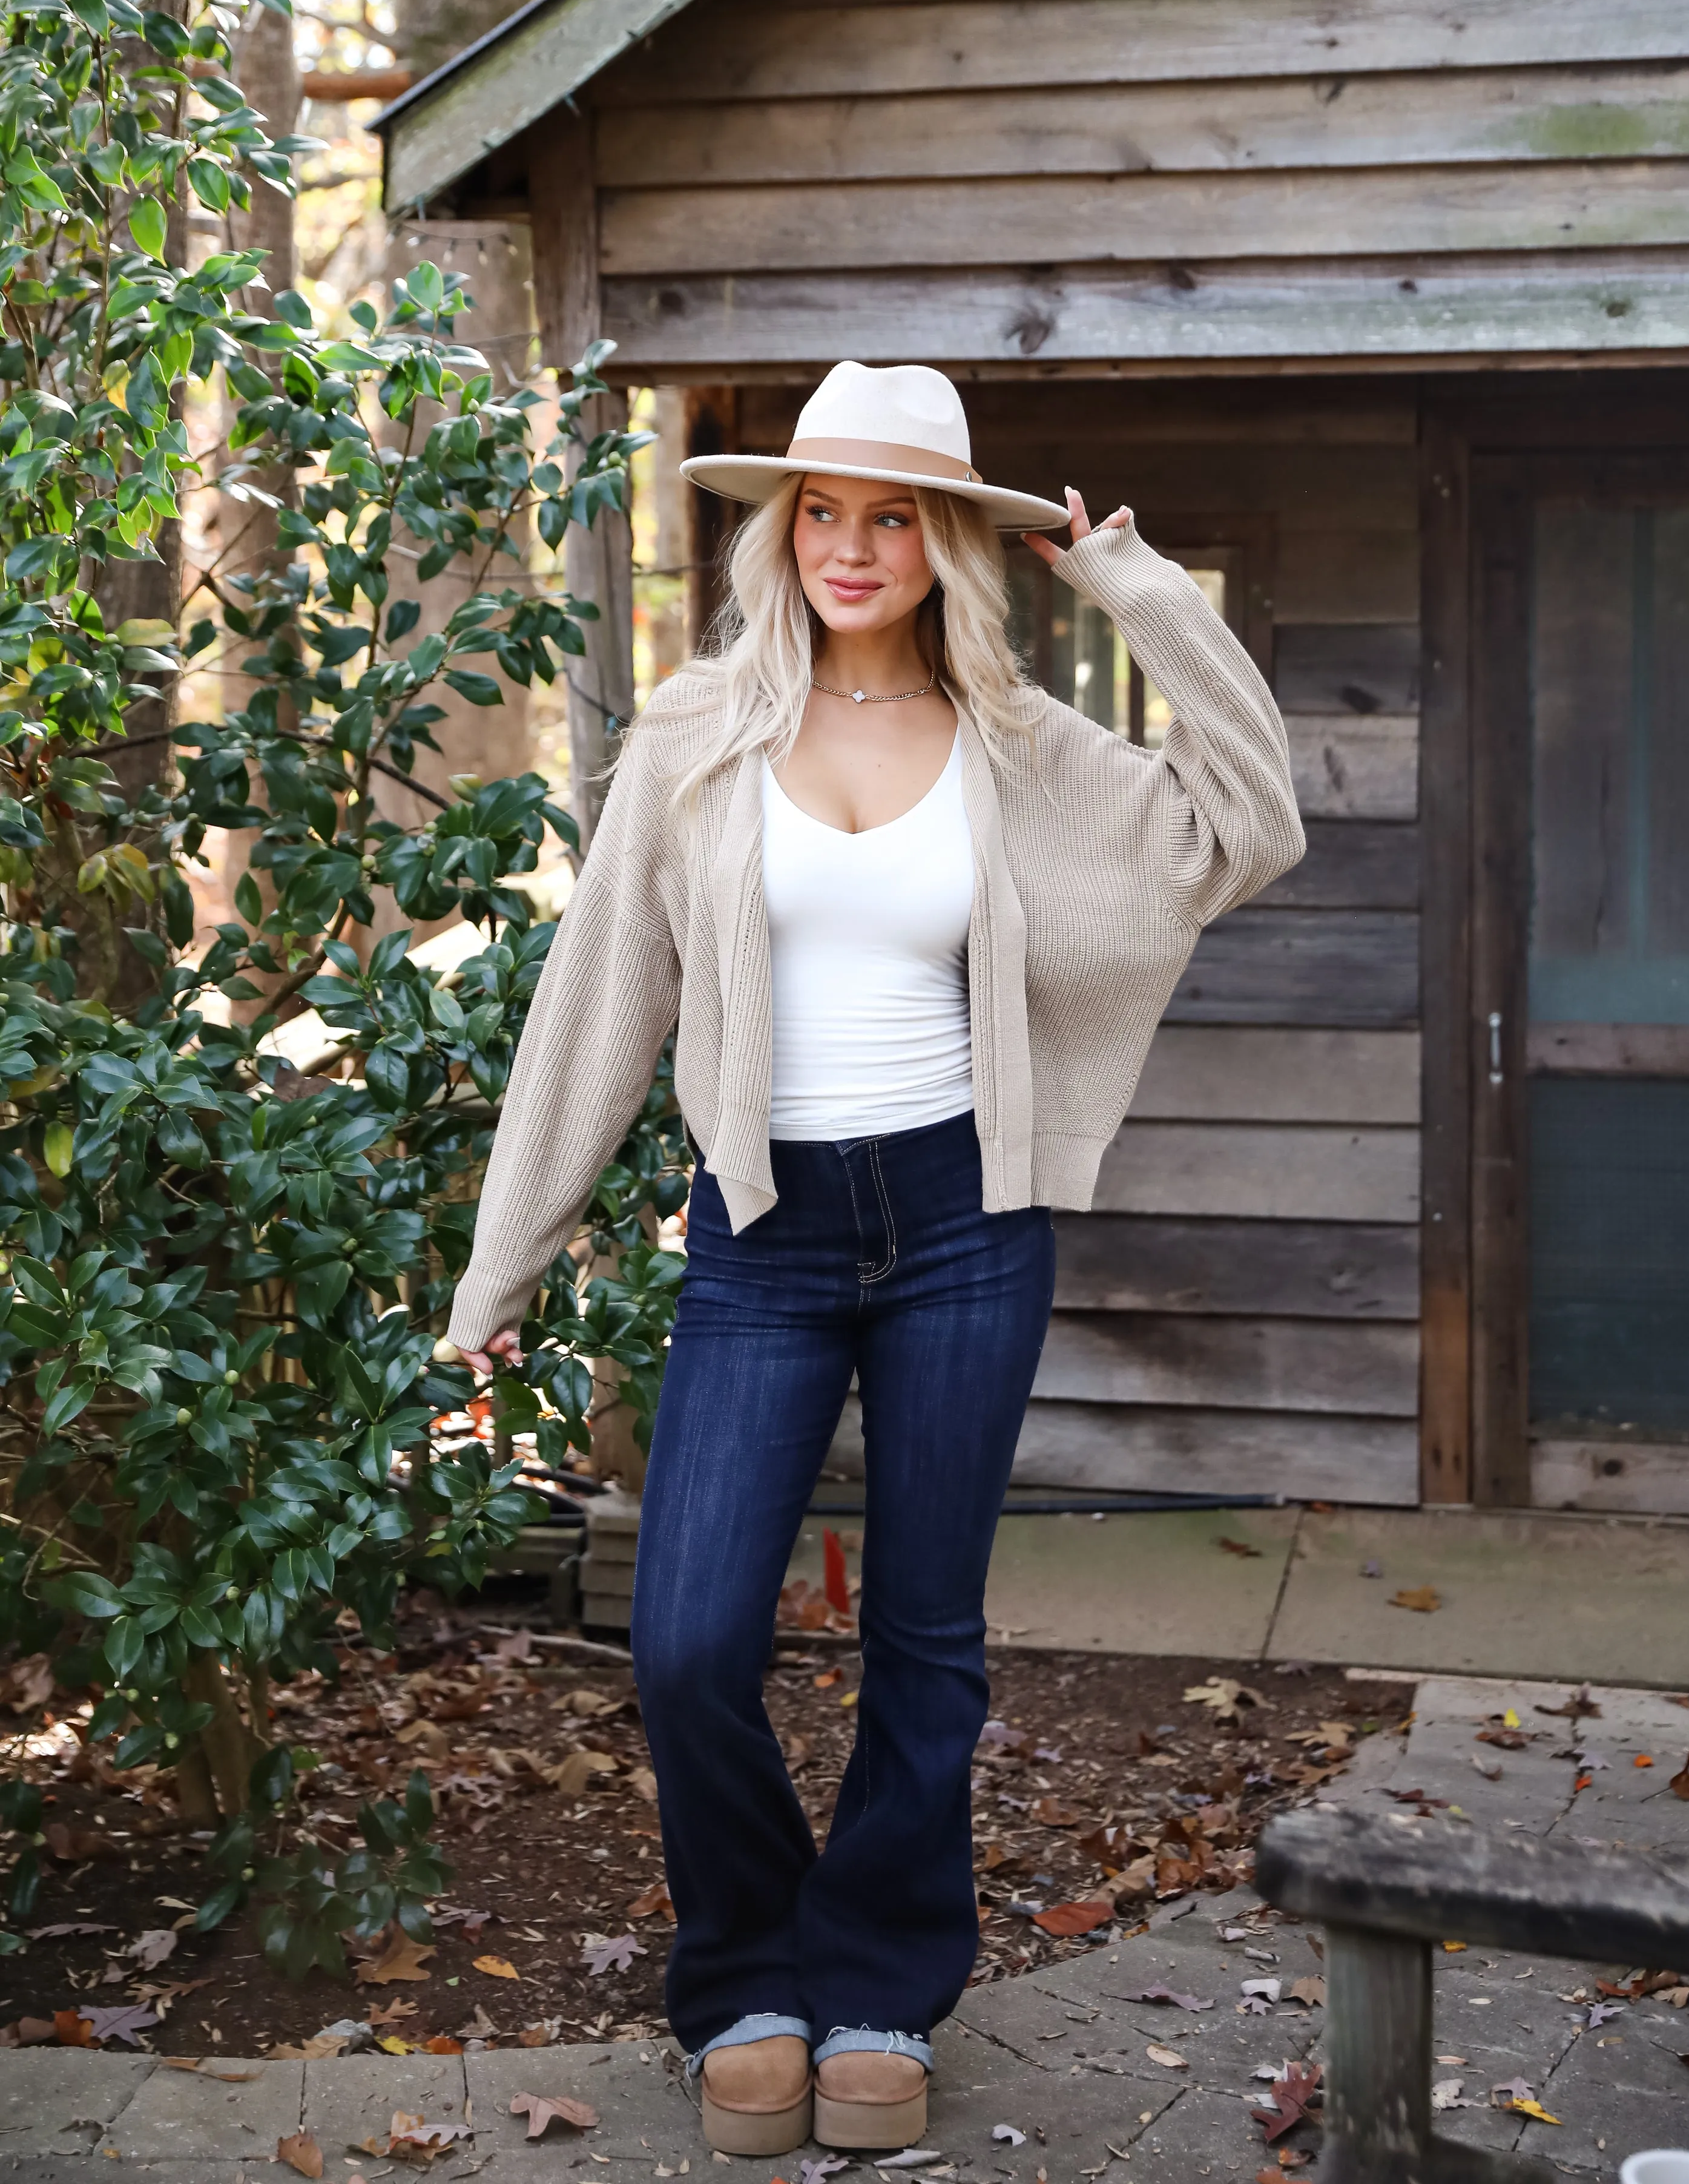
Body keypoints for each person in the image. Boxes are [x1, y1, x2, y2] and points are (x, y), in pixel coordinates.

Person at [437, 361, 1304, 2156]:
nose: (849, 544)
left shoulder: (1028, 754)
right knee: (685, 1639)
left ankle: (881, 1987)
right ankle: (745, 1972)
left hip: (967, 1226)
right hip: (763, 1231)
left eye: (892, 513)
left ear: (948, 546)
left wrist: (1136, 593)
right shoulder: (695, 735)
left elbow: (1253, 813)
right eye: (821, 509)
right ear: (783, 530)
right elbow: (598, 999)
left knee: (926, 1640)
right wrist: (498, 1267)